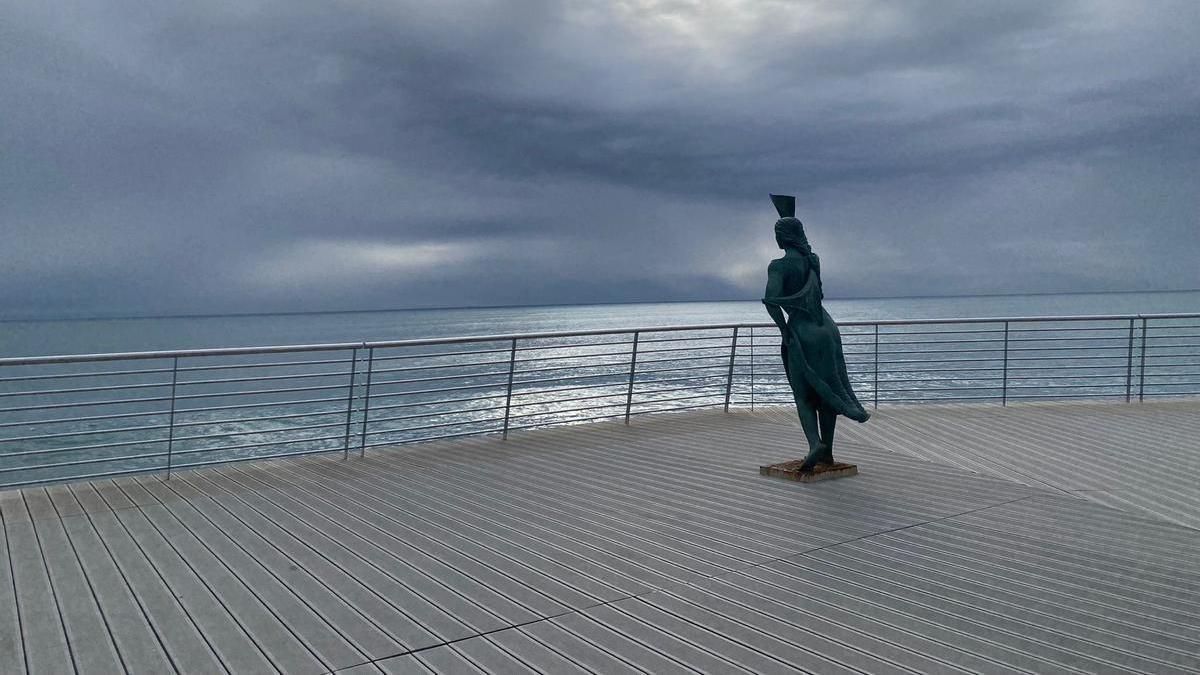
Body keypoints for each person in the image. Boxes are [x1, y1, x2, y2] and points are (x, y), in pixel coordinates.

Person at [762, 194, 869, 472]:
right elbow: (818, 292)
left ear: (781, 237)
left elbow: (772, 301)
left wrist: (784, 330)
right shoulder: (814, 260)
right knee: (830, 386)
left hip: (802, 329)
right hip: (827, 327)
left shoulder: (779, 266)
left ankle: (814, 444)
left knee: (803, 395)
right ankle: (829, 451)